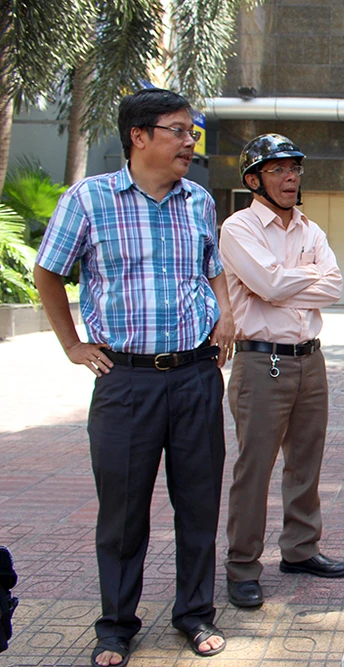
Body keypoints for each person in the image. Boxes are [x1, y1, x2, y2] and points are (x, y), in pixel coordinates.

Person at [33, 88, 235, 666]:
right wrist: (72, 344)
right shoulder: (89, 199)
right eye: (179, 131)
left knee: (198, 505)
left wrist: (224, 313)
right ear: (138, 136)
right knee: (122, 513)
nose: (190, 142)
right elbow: (48, 272)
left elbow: (212, 267)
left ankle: (194, 614)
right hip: (125, 382)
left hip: (196, 376)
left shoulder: (198, 200)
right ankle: (117, 625)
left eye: (192, 131)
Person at [220, 134, 344, 610]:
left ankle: (300, 550)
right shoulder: (238, 228)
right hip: (261, 361)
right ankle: (242, 566)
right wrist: (290, 281)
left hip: (310, 360)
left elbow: (333, 286)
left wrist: (280, 284)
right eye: (277, 169)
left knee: (306, 462)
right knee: (254, 468)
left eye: (294, 168)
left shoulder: (309, 229)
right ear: (253, 179)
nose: (290, 176)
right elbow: (267, 284)